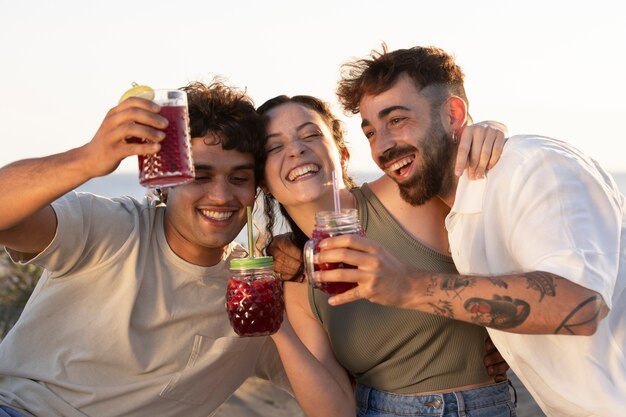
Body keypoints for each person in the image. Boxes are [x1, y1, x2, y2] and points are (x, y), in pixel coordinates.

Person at [311, 44, 626, 417]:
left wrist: (409, 286)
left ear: (454, 114)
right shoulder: (459, 214)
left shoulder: (533, 168)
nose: (382, 146)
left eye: (396, 120)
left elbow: (580, 307)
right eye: (370, 132)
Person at [0, 80, 289, 417]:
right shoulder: (111, 226)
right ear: (167, 183)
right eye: (200, 176)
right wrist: (89, 159)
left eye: (239, 179)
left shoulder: (254, 295)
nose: (222, 196)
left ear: (255, 191)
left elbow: (335, 387)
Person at [257, 94, 516, 417]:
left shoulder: (406, 193)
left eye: (311, 135)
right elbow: (335, 411)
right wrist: (276, 328)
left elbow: (503, 205)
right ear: (264, 182)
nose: (296, 149)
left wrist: (488, 130)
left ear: (343, 154)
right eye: (274, 147)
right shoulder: (295, 279)